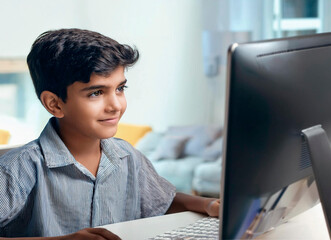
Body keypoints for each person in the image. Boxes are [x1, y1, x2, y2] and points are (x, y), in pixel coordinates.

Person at [0, 28, 220, 240]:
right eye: (96, 93)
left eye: (120, 88)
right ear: (55, 104)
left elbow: (164, 201)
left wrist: (207, 204)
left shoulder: (127, 156)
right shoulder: (18, 169)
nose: (115, 105)